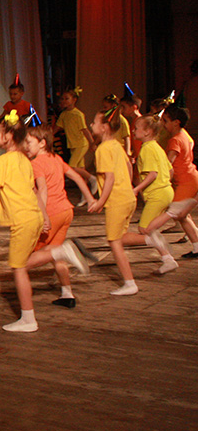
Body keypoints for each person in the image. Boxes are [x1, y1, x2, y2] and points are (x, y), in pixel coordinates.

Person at [0, 111, 54, 332]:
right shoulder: (25, 160)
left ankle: (28, 319)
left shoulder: (2, 161)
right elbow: (34, 191)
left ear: (8, 136)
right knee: (22, 262)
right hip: (33, 217)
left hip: (23, 220)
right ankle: (58, 253)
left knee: (18, 268)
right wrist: (44, 216)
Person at [23, 124, 95, 308]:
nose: (25, 146)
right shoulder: (56, 158)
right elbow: (77, 177)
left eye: (29, 142)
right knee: (55, 252)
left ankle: (62, 252)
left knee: (24, 261)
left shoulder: (36, 164)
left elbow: (42, 190)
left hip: (52, 213)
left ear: (42, 143)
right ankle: (67, 293)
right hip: (66, 212)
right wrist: (90, 198)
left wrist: (43, 216)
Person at [86, 107, 141, 295]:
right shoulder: (117, 145)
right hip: (128, 198)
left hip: (117, 201)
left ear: (104, 127)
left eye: (94, 122)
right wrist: (130, 187)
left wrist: (100, 201)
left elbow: (109, 178)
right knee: (121, 236)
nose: (91, 124)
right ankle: (151, 239)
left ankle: (129, 283)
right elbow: (129, 166)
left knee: (114, 241)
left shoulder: (102, 149)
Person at [117, 115, 178, 273]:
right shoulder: (156, 147)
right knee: (151, 230)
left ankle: (172, 214)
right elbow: (170, 170)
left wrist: (136, 189)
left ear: (147, 132)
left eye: (136, 128)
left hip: (158, 195)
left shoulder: (147, 149)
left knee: (144, 229)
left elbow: (153, 174)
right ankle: (168, 259)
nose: (133, 131)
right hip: (165, 191)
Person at [161, 106, 198, 259]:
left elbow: (168, 163)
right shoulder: (184, 135)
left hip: (187, 182)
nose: (163, 124)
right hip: (189, 179)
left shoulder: (175, 140)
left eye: (165, 121)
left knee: (178, 214)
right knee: (182, 216)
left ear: (176, 122)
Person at [52, 87, 98, 205]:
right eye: (62, 99)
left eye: (67, 98)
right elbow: (57, 128)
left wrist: (92, 143)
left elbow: (85, 130)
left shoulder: (78, 114)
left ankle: (93, 179)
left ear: (74, 100)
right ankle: (85, 196)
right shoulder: (64, 114)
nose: (64, 101)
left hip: (81, 144)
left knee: (71, 167)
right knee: (80, 170)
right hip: (72, 145)